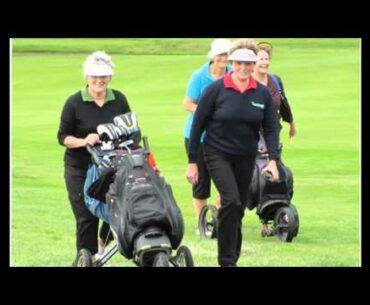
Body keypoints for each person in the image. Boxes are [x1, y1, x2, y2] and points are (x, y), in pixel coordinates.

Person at [186, 40, 280, 267]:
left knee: (237, 207)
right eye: (239, 63)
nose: (243, 68)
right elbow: (198, 124)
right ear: (232, 63)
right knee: (231, 200)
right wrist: (192, 161)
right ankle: (227, 261)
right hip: (217, 152)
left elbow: (271, 128)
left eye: (248, 63)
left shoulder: (261, 93)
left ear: (254, 64)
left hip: (246, 156)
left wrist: (273, 161)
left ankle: (231, 259)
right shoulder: (215, 90)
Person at [57, 51, 132, 265]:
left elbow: (130, 130)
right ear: (86, 76)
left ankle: (100, 250)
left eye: (104, 76)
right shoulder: (74, 102)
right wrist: (84, 141)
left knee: (116, 211)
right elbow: (63, 137)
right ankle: (86, 259)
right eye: (94, 76)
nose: (99, 80)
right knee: (86, 217)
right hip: (80, 167)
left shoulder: (119, 99)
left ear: (110, 77)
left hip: (111, 166)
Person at [183, 39, 232, 231]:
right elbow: (187, 103)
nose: (223, 59)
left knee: (225, 179)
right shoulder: (199, 76)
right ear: (212, 56)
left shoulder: (233, 75)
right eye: (220, 55)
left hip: (224, 137)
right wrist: (207, 112)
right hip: (199, 136)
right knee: (201, 181)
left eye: (226, 55)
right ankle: (202, 223)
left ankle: (219, 218)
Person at [252, 41, 296, 236]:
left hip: (272, 132)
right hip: (250, 133)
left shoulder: (275, 81)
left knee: (276, 172)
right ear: (253, 61)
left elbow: (283, 103)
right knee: (254, 173)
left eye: (267, 59)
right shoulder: (246, 81)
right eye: (261, 58)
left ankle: (268, 218)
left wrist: (291, 123)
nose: (265, 62)